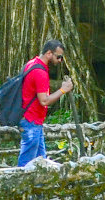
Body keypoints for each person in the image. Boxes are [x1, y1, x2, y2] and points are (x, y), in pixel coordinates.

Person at [18, 39, 75, 168]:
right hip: (31, 121)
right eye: (58, 57)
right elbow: (44, 101)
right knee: (26, 164)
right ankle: (21, 186)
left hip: (33, 121)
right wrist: (63, 90)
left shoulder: (32, 63)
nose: (60, 60)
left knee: (40, 162)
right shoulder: (40, 72)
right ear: (49, 53)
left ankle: (38, 187)